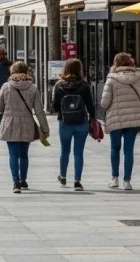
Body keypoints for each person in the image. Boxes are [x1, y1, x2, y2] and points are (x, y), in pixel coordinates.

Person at [0, 61, 49, 193]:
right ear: (26, 72)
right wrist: (45, 128)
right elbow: (39, 110)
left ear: (12, 72)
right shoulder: (33, 87)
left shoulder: (6, 87)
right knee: (24, 154)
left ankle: (16, 182)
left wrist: (6, 112)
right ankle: (23, 180)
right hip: (27, 123)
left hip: (9, 122)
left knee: (13, 153)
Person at [100, 52, 140, 191]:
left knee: (115, 148)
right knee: (129, 150)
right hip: (133, 118)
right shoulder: (138, 78)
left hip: (116, 117)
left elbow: (104, 103)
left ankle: (114, 179)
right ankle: (127, 181)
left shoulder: (111, 79)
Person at [52, 58, 96, 191]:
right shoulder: (84, 85)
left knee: (64, 151)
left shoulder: (59, 85)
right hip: (81, 121)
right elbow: (90, 104)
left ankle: (63, 176)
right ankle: (77, 181)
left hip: (65, 122)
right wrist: (92, 119)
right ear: (79, 70)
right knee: (79, 152)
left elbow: (54, 106)